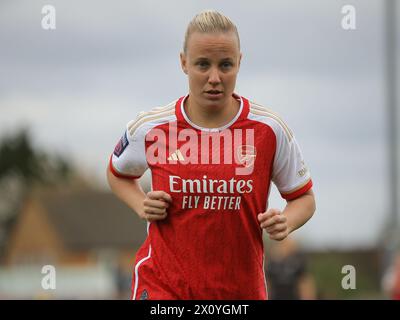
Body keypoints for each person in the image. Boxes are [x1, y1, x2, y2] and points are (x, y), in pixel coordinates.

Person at [107, 10, 316, 300]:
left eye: (225, 65)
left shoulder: (269, 129)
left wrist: (287, 221)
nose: (214, 78)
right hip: (162, 287)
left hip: (239, 291)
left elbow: (303, 198)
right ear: (184, 63)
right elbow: (117, 174)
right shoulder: (152, 127)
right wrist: (142, 204)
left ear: (239, 62)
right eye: (203, 65)